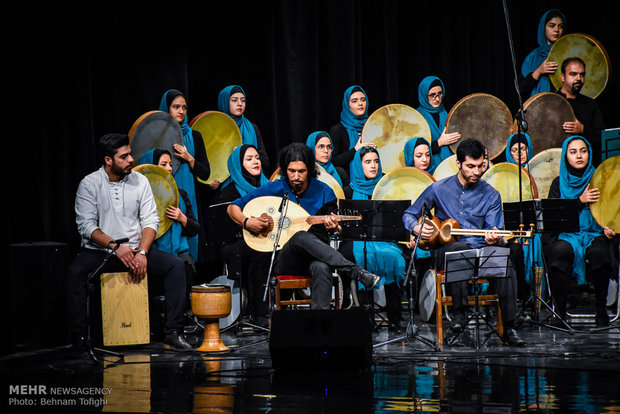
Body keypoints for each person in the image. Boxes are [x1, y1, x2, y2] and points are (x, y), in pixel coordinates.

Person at [67, 133, 192, 352]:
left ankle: (173, 332)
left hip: (135, 250)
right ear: (108, 160)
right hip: (102, 252)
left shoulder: (140, 180)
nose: (131, 160)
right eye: (124, 157)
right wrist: (115, 246)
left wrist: (142, 252)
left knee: (175, 266)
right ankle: (79, 339)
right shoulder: (90, 184)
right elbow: (86, 226)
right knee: (76, 272)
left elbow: (150, 220)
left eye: (130, 154)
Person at [227, 143, 381, 310]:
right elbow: (232, 207)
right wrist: (247, 222)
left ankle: (319, 325)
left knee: (322, 269)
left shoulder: (324, 192)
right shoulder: (277, 187)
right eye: (291, 171)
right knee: (300, 236)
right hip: (286, 258)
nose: (296, 177)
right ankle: (356, 272)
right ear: (285, 169)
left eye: (301, 171)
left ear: (310, 170)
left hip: (317, 257)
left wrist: (334, 227)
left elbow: (338, 229)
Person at [403, 138, 524, 346]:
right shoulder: (438, 189)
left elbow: (494, 229)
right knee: (458, 249)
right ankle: (459, 320)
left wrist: (494, 238)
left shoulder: (491, 195)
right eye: (470, 166)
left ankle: (509, 327)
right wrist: (415, 227)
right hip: (450, 252)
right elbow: (409, 214)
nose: (476, 172)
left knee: (505, 262)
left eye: (480, 166)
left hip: (481, 251)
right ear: (458, 163)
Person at [543, 136, 617, 327]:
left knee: (599, 253)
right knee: (560, 251)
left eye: (583, 151)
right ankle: (560, 313)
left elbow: (613, 209)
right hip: (567, 234)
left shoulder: (601, 180)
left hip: (595, 234)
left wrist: (611, 229)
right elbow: (554, 218)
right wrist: (579, 200)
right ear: (566, 156)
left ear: (589, 153)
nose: (579, 156)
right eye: (573, 152)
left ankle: (601, 310)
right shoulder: (558, 184)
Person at [340, 146, 406, 331]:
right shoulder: (348, 191)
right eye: (367, 162)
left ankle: (395, 317)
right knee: (362, 256)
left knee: (395, 259)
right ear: (359, 165)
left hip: (386, 240)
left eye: (376, 161)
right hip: (358, 240)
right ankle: (366, 317)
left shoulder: (388, 186)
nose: (373, 166)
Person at [211, 144, 271, 327]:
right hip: (236, 243)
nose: (255, 161)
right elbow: (222, 229)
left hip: (269, 241)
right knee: (258, 253)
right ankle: (258, 313)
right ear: (238, 164)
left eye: (257, 157)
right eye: (249, 159)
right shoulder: (228, 192)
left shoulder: (270, 186)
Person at [137, 148, 201, 306]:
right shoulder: (138, 196)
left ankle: (180, 320)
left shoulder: (180, 194)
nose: (169, 168)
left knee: (184, 264)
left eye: (170, 164)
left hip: (179, 251)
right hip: (150, 251)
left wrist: (182, 218)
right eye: (163, 164)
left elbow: (195, 229)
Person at [158, 89, 211, 264]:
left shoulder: (194, 136)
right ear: (166, 109)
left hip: (189, 195)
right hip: (161, 193)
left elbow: (205, 173)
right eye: (176, 107)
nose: (181, 111)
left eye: (184, 107)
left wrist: (189, 158)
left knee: (190, 230)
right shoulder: (157, 136)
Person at [556, 57, 606, 167]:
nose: (579, 78)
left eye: (582, 74)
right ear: (563, 77)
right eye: (573, 74)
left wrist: (582, 129)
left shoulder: (590, 104)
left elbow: (602, 138)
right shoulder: (551, 101)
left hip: (588, 167)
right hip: (557, 166)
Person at [217, 85, 271, 175]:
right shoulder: (216, 129)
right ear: (224, 102)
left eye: (243, 100)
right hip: (226, 182)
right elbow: (213, 163)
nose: (240, 104)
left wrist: (245, 155)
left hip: (252, 182)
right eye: (234, 100)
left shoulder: (252, 128)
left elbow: (265, 163)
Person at [415, 76, 461, 169]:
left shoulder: (446, 114)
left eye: (439, 94)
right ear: (424, 95)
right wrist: (439, 143)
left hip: (450, 167)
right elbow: (413, 152)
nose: (437, 99)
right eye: (432, 95)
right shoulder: (416, 117)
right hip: (428, 169)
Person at [520, 9, 566, 97]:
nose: (557, 30)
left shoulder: (568, 54)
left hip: (562, 106)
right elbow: (521, 89)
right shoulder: (532, 57)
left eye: (560, 26)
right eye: (552, 26)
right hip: (536, 107)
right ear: (543, 27)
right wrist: (539, 71)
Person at [328, 85, 375, 172]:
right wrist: (355, 150)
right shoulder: (338, 130)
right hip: (348, 181)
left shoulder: (373, 127)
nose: (360, 103)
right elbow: (332, 161)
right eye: (354, 101)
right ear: (347, 105)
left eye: (363, 100)